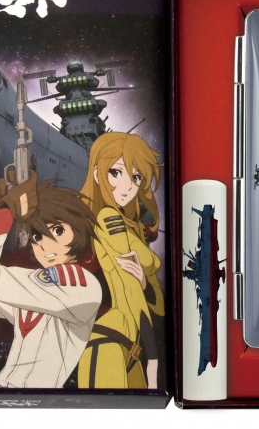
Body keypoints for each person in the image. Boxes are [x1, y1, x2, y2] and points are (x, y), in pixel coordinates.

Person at [0, 172, 102, 388]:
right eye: (37, 236)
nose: (45, 245)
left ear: (78, 231)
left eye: (58, 230)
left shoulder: (80, 284)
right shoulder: (32, 291)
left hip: (41, 395)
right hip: (9, 393)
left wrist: (4, 213)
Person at [78, 132, 164, 389]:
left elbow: (153, 302)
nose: (127, 186)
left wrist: (144, 282)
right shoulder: (107, 216)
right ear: (97, 174)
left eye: (136, 177)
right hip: (108, 339)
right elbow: (150, 260)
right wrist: (145, 262)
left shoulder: (129, 226)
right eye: (116, 173)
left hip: (132, 339)